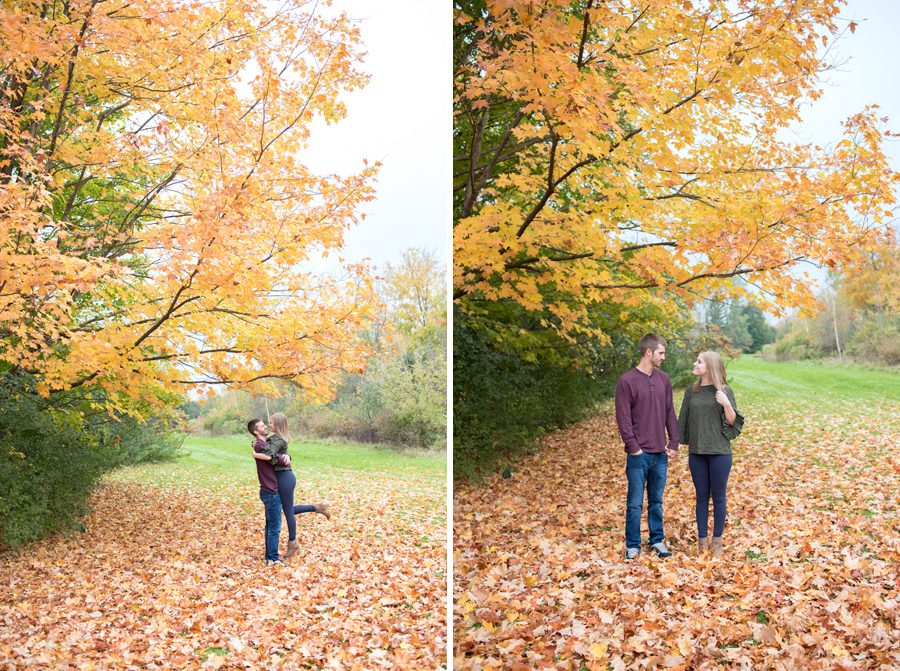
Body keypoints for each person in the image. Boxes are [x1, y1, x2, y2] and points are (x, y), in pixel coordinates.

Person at [615, 333, 680, 560]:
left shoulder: (663, 379)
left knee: (657, 501)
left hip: (659, 453)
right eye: (661, 353)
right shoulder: (627, 381)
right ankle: (632, 545)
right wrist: (634, 448)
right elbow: (623, 419)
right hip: (638, 455)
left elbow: (669, 411)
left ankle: (657, 541)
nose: (663, 357)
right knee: (634, 503)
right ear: (649, 352)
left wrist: (673, 441)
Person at [677, 351, 744, 559]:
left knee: (719, 497)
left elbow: (733, 422)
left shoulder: (724, 390)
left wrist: (726, 403)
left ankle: (717, 542)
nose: (694, 363)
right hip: (697, 452)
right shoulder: (692, 391)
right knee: (701, 497)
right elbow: (683, 420)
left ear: (710, 367)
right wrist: (674, 443)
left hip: (719, 453)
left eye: (699, 361)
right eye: (696, 360)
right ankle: (702, 542)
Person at [253, 412, 331, 559]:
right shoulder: (274, 438)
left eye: (271, 422)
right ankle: (318, 508)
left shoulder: (279, 439)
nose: (269, 425)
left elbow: (270, 455)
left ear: (277, 424)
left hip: (285, 478)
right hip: (283, 477)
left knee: (288, 512)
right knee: (288, 510)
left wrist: (258, 454)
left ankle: (293, 543)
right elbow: (269, 448)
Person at [248, 418, 290, 565]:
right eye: (261, 426)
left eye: (264, 424)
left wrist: (287, 456)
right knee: (274, 528)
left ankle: (269, 558)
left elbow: (275, 455)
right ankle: (272, 559)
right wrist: (285, 458)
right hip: (271, 491)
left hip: (268, 490)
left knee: (270, 526)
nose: (265, 427)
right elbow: (275, 458)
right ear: (255, 431)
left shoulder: (262, 444)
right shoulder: (260, 445)